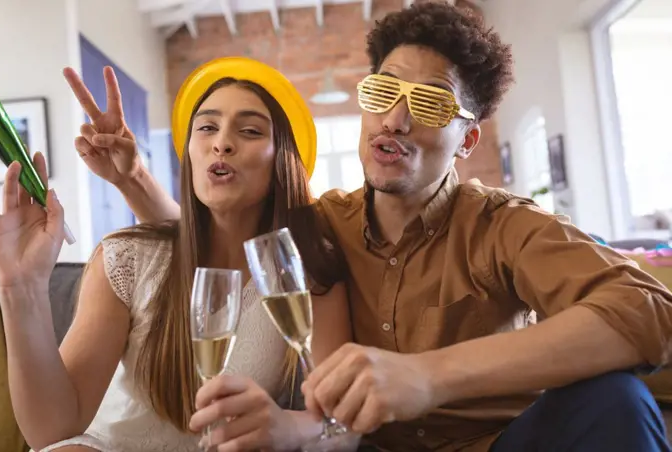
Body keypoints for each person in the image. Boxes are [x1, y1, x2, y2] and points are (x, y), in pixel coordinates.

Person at [77, 3, 672, 452]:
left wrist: (428, 376)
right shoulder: (316, 224)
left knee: (616, 401)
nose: (396, 118)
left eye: (432, 103)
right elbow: (217, 231)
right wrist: (135, 182)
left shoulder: (505, 227)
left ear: (466, 139)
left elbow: (647, 308)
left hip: (495, 444)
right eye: (383, 92)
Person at [0, 58, 354, 452]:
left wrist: (289, 429)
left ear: (283, 159)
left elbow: (343, 426)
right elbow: (53, 432)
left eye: (250, 131)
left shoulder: (306, 273)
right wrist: (20, 286)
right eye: (207, 127)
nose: (222, 143)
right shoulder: (129, 258)